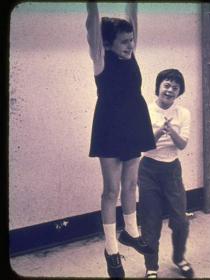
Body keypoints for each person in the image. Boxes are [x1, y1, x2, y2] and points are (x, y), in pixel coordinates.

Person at [86, 3, 156, 278]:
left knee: (131, 184)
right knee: (111, 190)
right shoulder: (100, 58)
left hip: (134, 123)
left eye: (132, 40)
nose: (131, 45)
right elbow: (91, 23)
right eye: (125, 42)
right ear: (108, 43)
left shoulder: (131, 55)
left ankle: (131, 232)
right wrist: (92, 6)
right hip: (109, 127)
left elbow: (133, 13)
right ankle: (112, 250)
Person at [137, 69, 194, 279]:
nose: (170, 90)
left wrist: (172, 131)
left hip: (172, 169)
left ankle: (179, 258)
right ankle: (151, 266)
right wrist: (161, 130)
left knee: (181, 220)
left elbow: (182, 144)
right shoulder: (146, 110)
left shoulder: (183, 113)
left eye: (175, 87)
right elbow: (142, 145)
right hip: (149, 169)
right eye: (166, 85)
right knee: (150, 222)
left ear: (179, 92)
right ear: (158, 87)